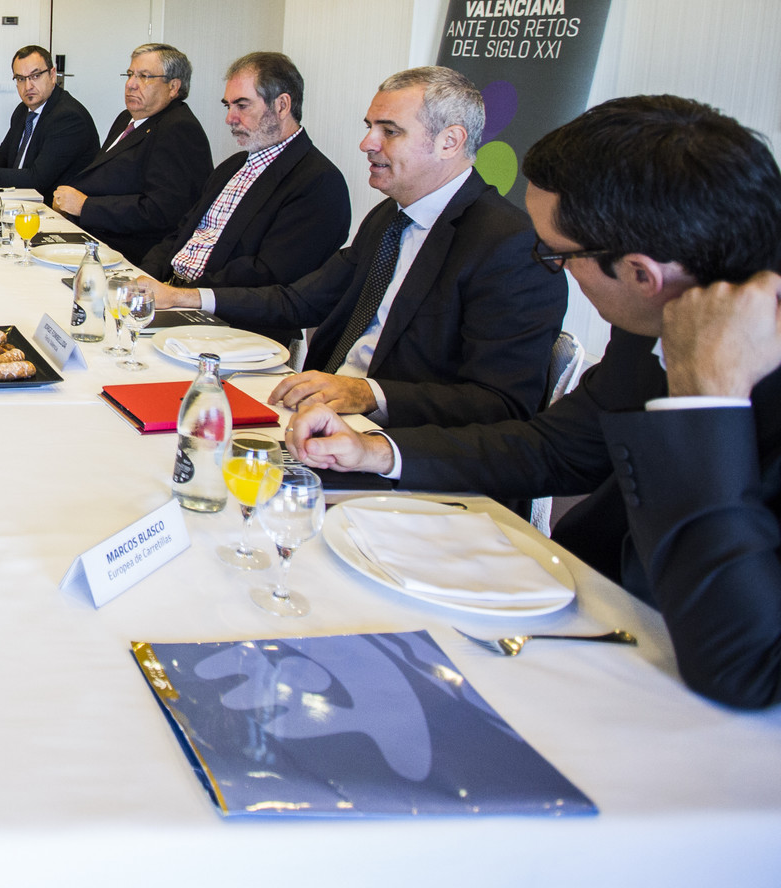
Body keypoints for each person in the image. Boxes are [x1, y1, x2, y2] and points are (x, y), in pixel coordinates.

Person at [287, 96, 781, 708]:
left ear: (641, 274)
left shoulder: (699, 334)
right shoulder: (667, 308)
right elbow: (558, 446)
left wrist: (712, 405)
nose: (554, 269)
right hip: (599, 622)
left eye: (558, 255)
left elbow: (746, 665)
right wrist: (375, 450)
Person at [144, 66, 565, 430]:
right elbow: (300, 300)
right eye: (370, 127)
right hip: (321, 412)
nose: (367, 143)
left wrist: (368, 393)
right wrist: (184, 297)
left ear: (450, 142)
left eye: (390, 131)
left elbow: (501, 405)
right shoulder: (389, 217)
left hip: (401, 445)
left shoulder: (510, 244)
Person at [134, 52, 350, 344]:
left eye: (242, 105)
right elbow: (182, 233)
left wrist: (183, 296)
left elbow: (270, 277)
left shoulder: (318, 182)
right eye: (228, 105)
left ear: (282, 105)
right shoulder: (233, 165)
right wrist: (144, 278)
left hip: (232, 327)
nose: (229, 118)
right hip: (175, 299)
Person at [50, 43, 213, 264]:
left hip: (133, 254)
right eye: (130, 74)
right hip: (93, 234)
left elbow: (162, 211)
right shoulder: (126, 119)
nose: (131, 85)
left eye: (144, 76)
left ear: (173, 87)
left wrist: (85, 206)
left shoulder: (178, 129)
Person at [0, 45, 98, 203]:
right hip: (22, 200)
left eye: (35, 76)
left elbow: (37, 180)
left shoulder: (68, 118)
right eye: (21, 79)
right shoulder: (23, 110)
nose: (28, 86)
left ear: (52, 75)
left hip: (56, 211)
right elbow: (5, 156)